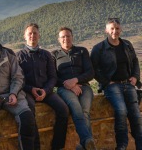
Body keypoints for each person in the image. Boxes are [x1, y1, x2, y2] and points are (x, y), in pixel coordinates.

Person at [90, 18, 142, 150]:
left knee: (136, 115)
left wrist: (135, 77)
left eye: (117, 28)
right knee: (121, 111)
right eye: (112, 28)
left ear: (121, 29)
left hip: (128, 84)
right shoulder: (99, 48)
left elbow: (135, 62)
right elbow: (93, 69)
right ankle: (122, 145)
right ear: (106, 30)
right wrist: (107, 82)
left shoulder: (127, 45)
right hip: (112, 86)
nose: (115, 31)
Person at [16, 23, 69, 150]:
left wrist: (45, 90)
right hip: (27, 92)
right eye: (29, 33)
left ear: (39, 35)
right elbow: (18, 79)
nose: (32, 35)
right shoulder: (18, 56)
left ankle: (57, 146)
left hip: (46, 91)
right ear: (25, 36)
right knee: (30, 113)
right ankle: (36, 147)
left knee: (64, 110)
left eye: (35, 33)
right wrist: (31, 89)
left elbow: (53, 77)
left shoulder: (46, 55)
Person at [51, 27, 97, 150]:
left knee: (85, 112)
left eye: (68, 36)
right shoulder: (54, 55)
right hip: (64, 89)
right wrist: (68, 84)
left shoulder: (82, 51)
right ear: (59, 39)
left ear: (72, 37)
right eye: (63, 37)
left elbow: (90, 73)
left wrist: (75, 80)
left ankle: (84, 145)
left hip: (84, 87)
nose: (66, 39)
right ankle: (87, 141)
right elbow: (53, 78)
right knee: (77, 110)